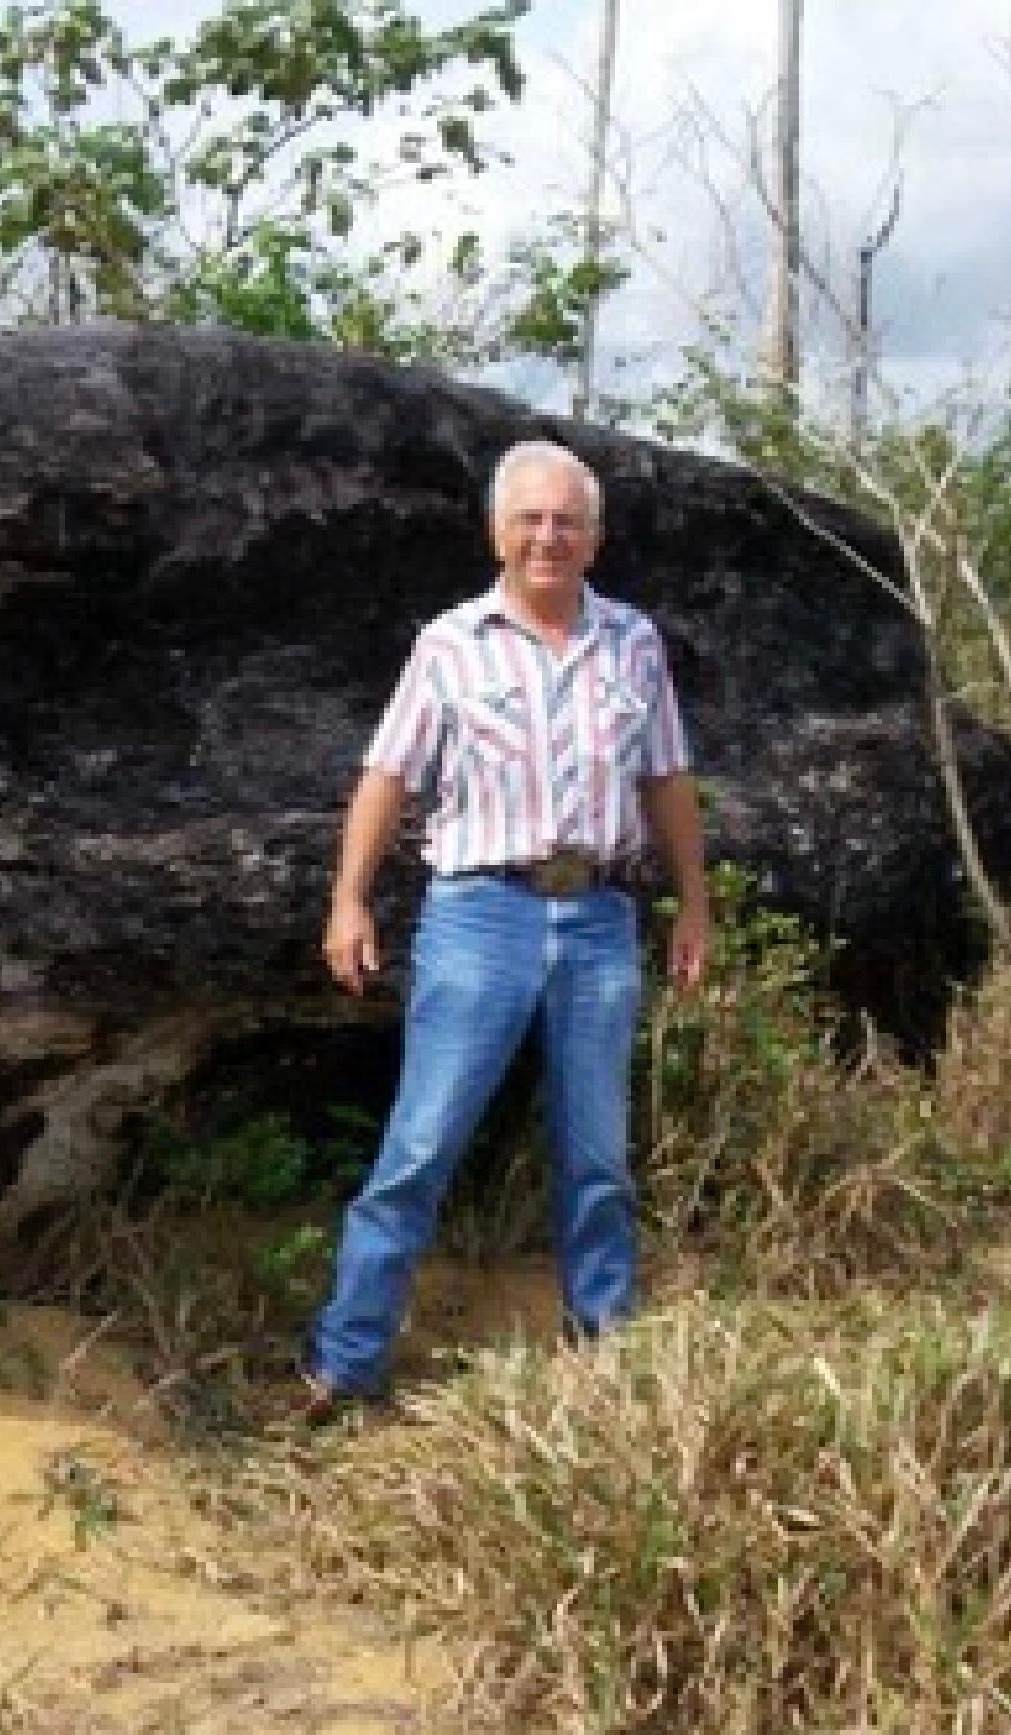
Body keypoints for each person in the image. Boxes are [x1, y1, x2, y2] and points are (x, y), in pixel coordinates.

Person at [300, 437, 711, 1412]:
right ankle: (345, 1363)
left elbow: (666, 777)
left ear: (595, 537)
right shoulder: (449, 645)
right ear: (495, 531)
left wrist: (693, 900)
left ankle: (603, 1354)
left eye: (567, 520)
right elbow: (386, 775)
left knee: (598, 1154)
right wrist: (347, 897)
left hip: (600, 917)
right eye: (529, 518)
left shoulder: (632, 642)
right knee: (418, 1148)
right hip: (478, 914)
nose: (547, 536)